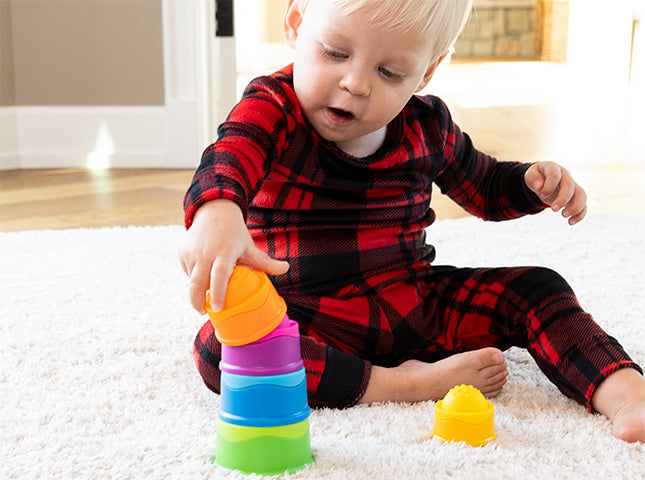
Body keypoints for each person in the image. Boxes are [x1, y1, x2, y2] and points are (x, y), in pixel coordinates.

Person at [179, 0, 645, 442]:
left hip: (414, 305)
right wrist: (218, 210)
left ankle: (624, 392)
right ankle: (395, 385)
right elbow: (232, 154)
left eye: (389, 72)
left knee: (538, 287)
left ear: (425, 72)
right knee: (221, 349)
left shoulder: (429, 126)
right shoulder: (273, 106)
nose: (356, 83)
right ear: (297, 25)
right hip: (305, 316)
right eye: (336, 52)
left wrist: (529, 183)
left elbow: (484, 188)